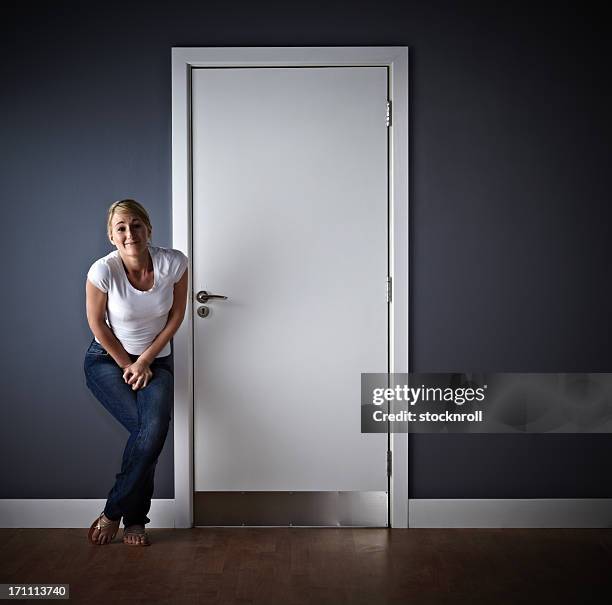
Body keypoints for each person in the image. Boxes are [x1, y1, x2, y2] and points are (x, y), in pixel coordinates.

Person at [83, 199, 188, 546]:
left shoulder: (174, 263)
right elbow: (98, 326)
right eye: (121, 228)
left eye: (136, 225)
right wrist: (129, 364)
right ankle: (137, 520)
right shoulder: (103, 271)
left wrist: (145, 361)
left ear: (149, 228)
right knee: (149, 434)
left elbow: (175, 317)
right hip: (107, 360)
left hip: (155, 361)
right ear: (111, 236)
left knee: (150, 434)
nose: (130, 233)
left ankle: (114, 512)